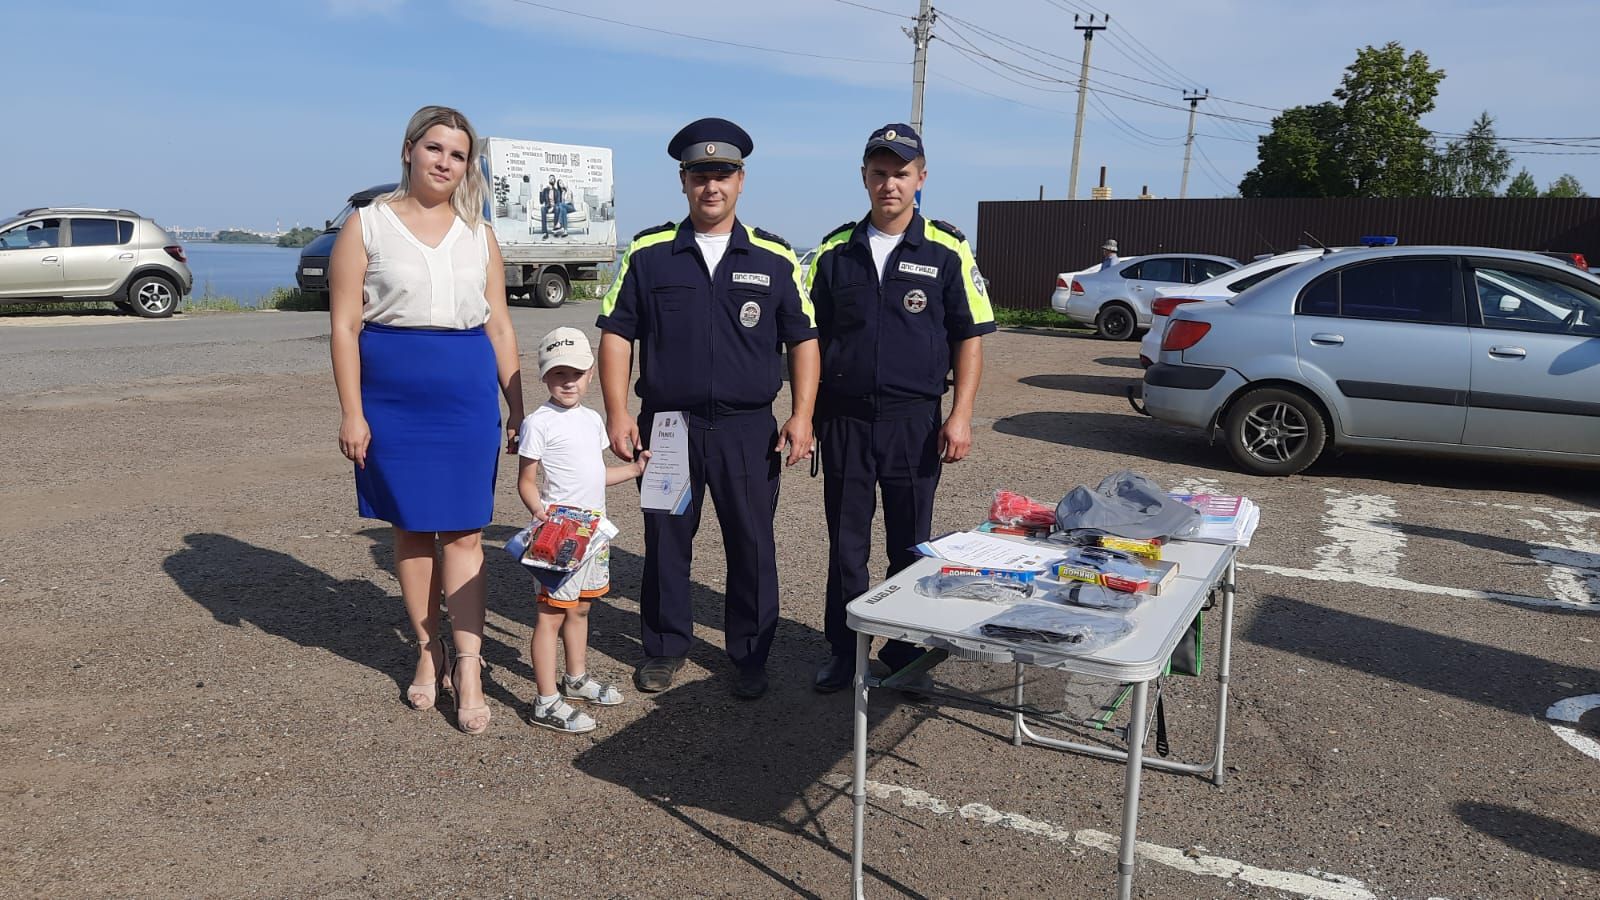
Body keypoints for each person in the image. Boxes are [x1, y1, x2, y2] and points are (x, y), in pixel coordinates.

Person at [596, 117, 820, 700]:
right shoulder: (649, 255)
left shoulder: (774, 256)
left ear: (741, 180)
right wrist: (618, 412)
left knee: (751, 542)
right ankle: (666, 647)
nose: (711, 186)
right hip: (668, 425)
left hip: (747, 428)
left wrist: (802, 415)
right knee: (668, 540)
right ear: (683, 181)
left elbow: (804, 340)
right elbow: (618, 334)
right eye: (700, 175)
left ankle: (749, 654)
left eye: (722, 174)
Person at [328, 105, 525, 735]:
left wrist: (518, 405)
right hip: (393, 394)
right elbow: (344, 325)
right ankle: (426, 650)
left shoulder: (479, 233)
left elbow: (498, 323)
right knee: (412, 530)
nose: (445, 162)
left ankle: (468, 663)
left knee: (466, 532)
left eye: (458, 154)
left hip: (466, 390)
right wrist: (352, 413)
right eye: (435, 149)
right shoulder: (367, 226)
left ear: (468, 165)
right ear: (410, 150)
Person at [805, 123, 996, 693]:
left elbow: (970, 337)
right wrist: (805, 414)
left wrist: (960, 415)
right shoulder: (835, 251)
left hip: (915, 422)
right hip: (844, 422)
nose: (891, 184)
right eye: (880, 172)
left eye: (902, 173)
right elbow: (807, 342)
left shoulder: (947, 248)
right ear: (864, 176)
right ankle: (844, 651)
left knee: (911, 544)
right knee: (846, 546)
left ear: (922, 178)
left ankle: (905, 650)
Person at [516, 327, 649, 734]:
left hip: (594, 534)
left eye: (576, 373)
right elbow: (525, 480)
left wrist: (634, 470)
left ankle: (575, 678)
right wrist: (538, 510)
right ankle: (545, 700)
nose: (568, 381)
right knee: (550, 615)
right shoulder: (538, 423)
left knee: (583, 608)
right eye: (558, 374)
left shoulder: (593, 421)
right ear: (544, 378)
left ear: (591, 374)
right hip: (560, 536)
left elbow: (595, 476)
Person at [539, 175, 558, 240]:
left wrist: (553, 207)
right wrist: (541, 191)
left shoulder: (556, 191)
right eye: (550, 179)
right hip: (547, 207)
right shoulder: (545, 190)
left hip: (554, 208)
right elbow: (541, 202)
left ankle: (555, 230)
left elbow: (558, 202)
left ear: (554, 181)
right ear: (548, 180)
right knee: (542, 209)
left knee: (558, 208)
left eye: (553, 179)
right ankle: (545, 232)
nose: (551, 180)